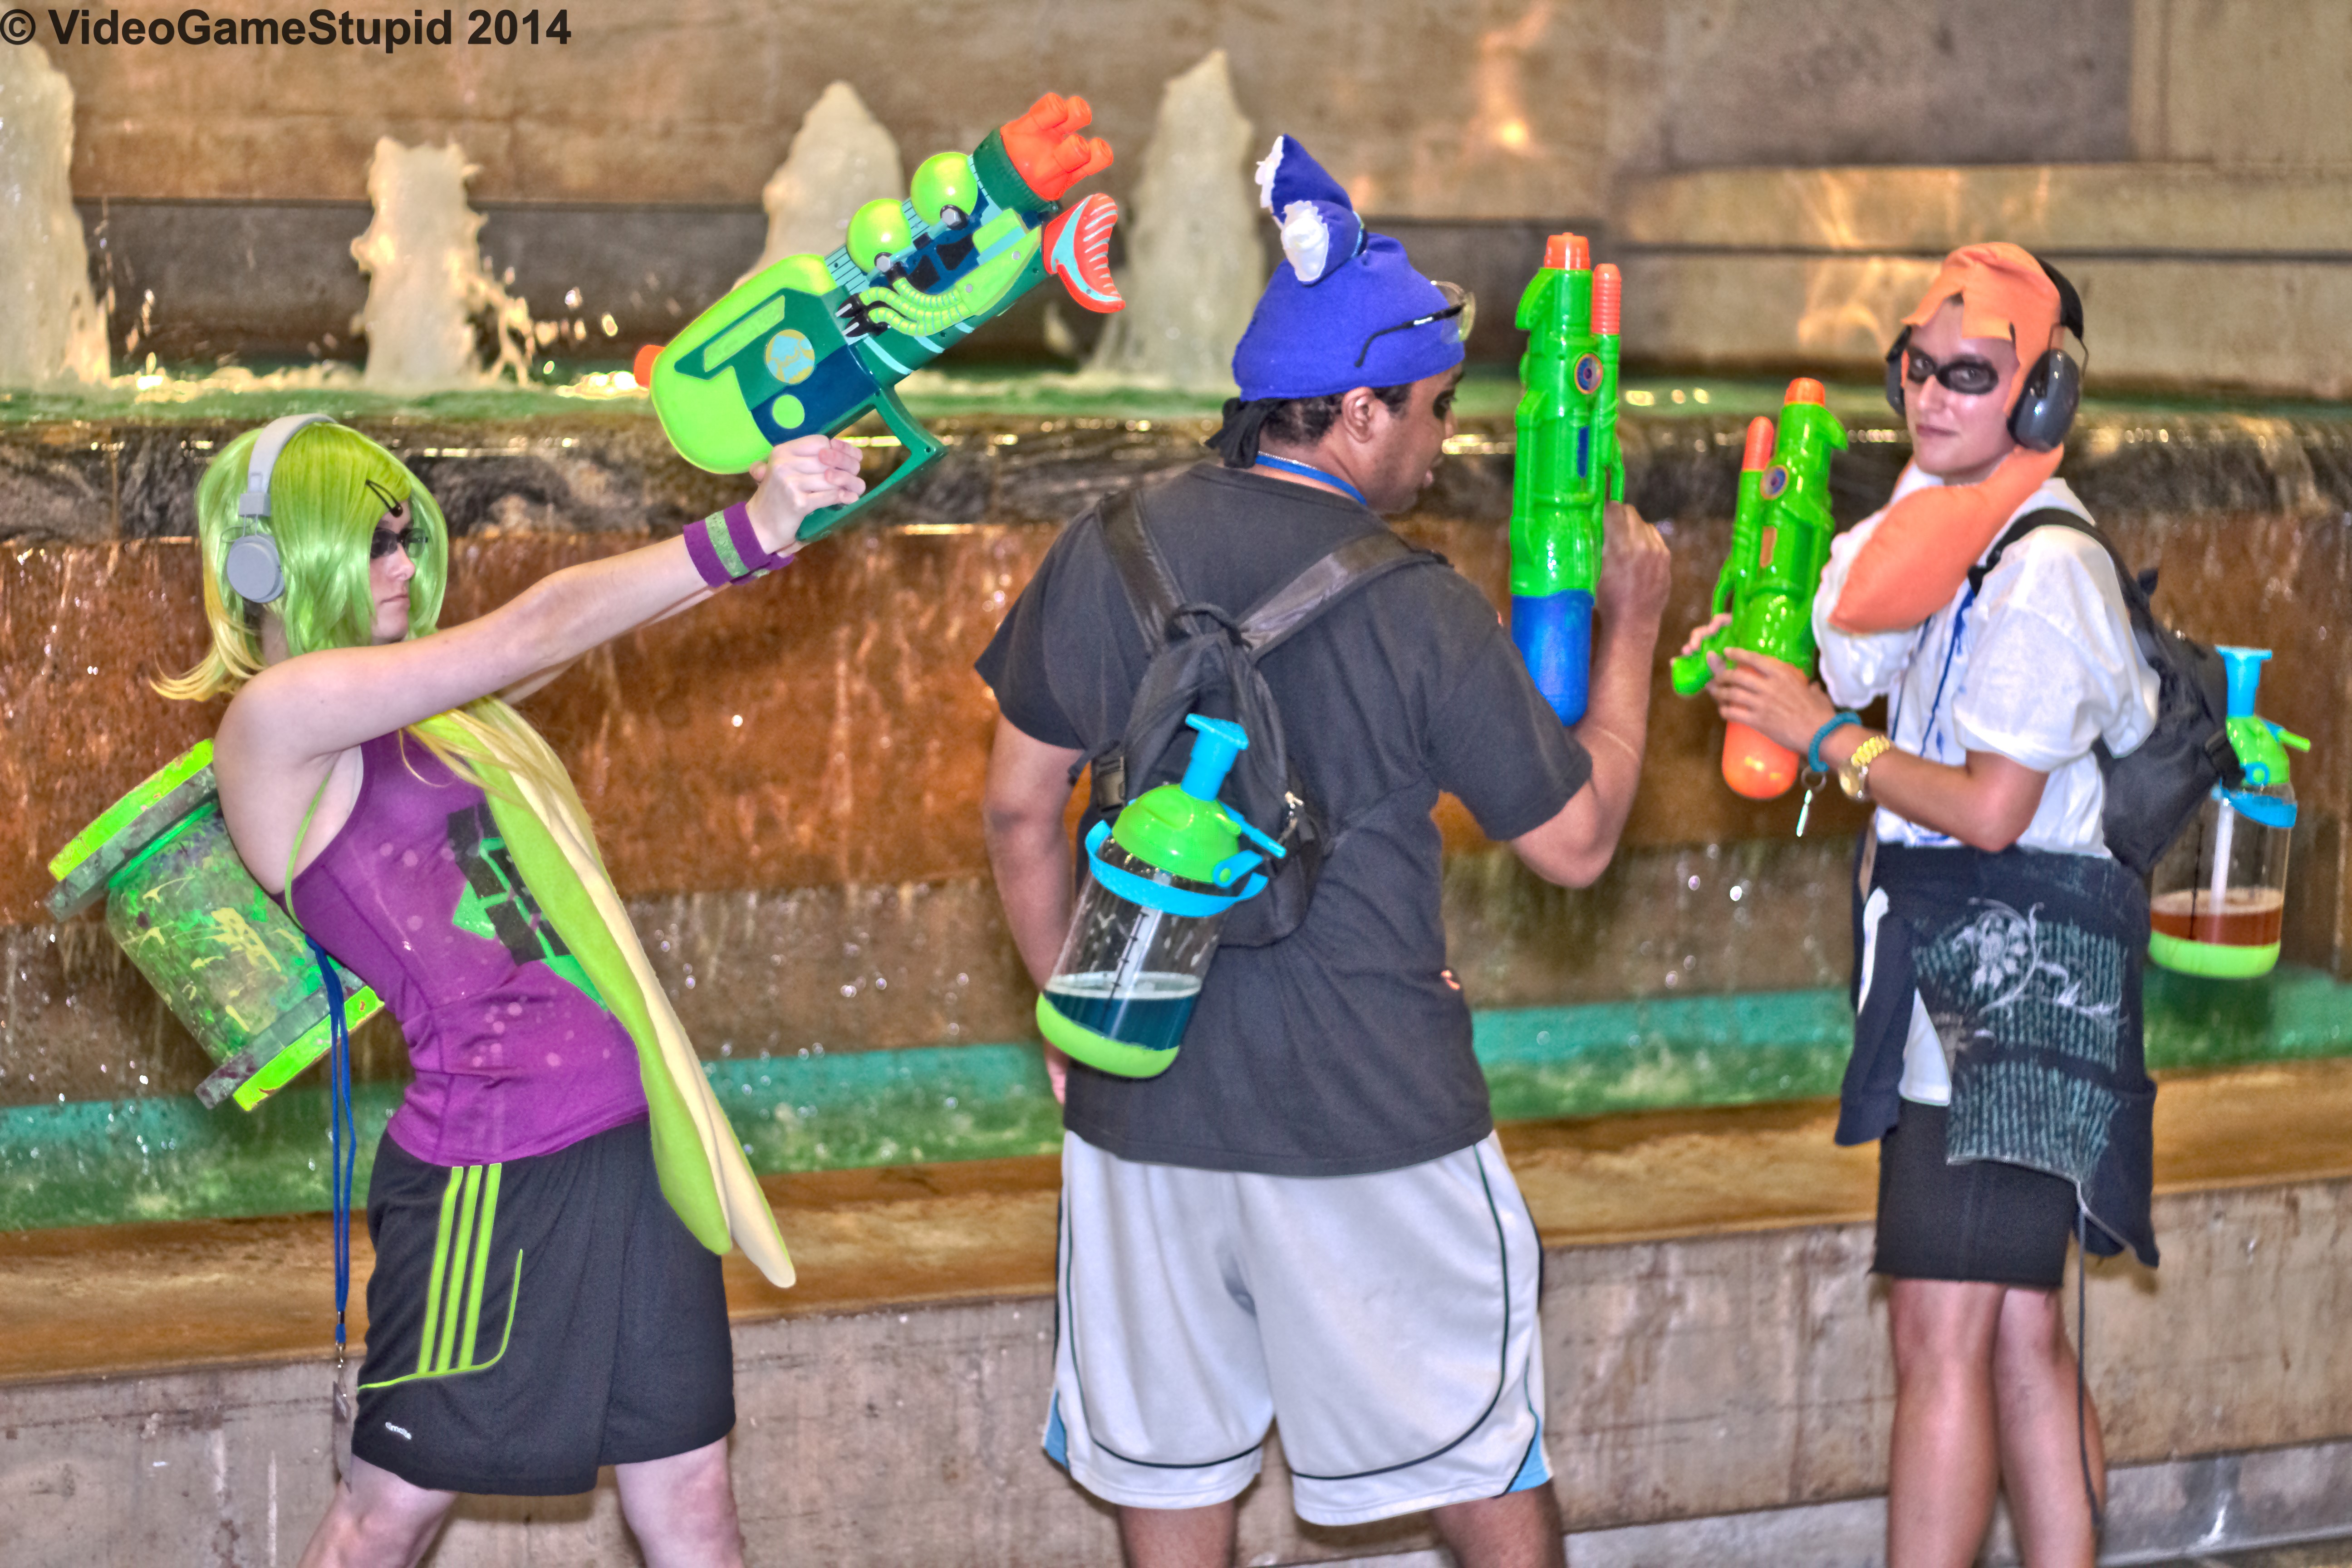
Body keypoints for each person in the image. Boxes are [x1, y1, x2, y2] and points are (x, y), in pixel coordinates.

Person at [976, 137, 1671, 1568]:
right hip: (1370, 1118)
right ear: (1356, 413)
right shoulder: (1421, 608)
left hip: (1145, 1109)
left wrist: (1073, 1012)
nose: (1442, 442)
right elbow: (1579, 843)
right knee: (1481, 1465)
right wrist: (1635, 634)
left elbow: (1013, 810)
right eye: (1429, 412)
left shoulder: (1107, 549)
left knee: (1172, 1484)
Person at [159, 414, 863, 1568]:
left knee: (690, 1491)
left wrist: (763, 543)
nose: (401, 565)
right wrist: (747, 523)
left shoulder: (427, 711)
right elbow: (531, 625)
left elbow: (552, 648)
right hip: (496, 1167)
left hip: (631, 1146)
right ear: (266, 564)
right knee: (389, 1513)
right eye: (370, 543)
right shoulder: (278, 721)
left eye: (405, 537)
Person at [1697, 243, 2160, 1568]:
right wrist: (1765, 598)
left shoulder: (2043, 570)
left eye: (1973, 373)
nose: (1933, 395)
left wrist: (1828, 737)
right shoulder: (1951, 536)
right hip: (1980, 966)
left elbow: (1993, 805)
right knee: (2013, 1326)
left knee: (1942, 1332)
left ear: (2043, 399)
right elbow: (1837, 628)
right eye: (1918, 365)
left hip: (2012, 982)